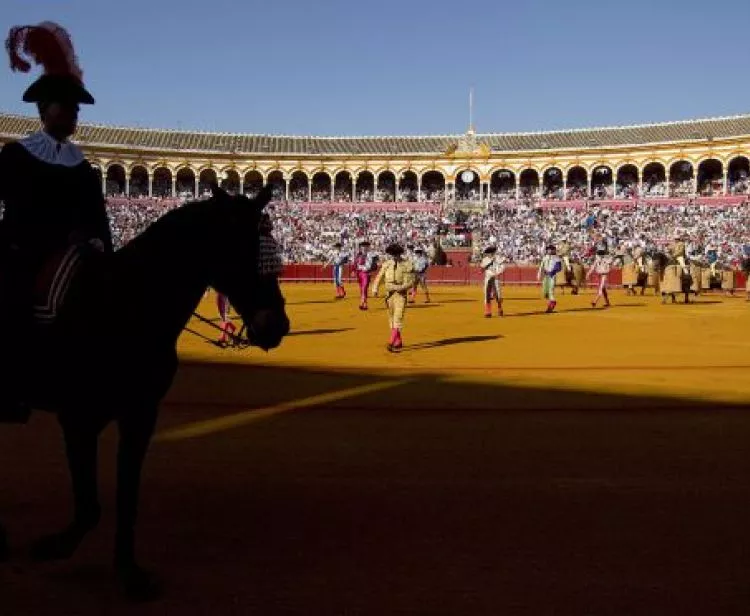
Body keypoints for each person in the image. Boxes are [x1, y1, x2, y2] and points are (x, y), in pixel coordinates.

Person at [0, 22, 112, 422]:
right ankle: (10, 387)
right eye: (68, 106)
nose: (75, 114)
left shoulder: (81, 165)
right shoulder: (16, 156)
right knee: (10, 298)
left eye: (76, 108)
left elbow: (97, 218)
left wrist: (99, 243)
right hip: (23, 251)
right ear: (46, 109)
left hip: (73, 253)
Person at [372, 243, 415, 352]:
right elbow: (379, 277)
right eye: (392, 254)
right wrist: (375, 288)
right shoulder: (387, 264)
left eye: (396, 254)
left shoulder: (407, 264)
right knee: (391, 318)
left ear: (400, 254)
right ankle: (398, 341)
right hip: (389, 294)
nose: (394, 256)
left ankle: (391, 342)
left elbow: (410, 281)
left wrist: (399, 288)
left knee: (398, 318)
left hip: (400, 294)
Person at [480, 245, 505, 317]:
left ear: (493, 252)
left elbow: (503, 267)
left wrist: (497, 273)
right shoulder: (485, 260)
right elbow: (481, 269)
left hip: (495, 278)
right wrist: (486, 266)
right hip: (488, 278)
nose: (489, 254)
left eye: (491, 253)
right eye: (488, 253)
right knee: (487, 295)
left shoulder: (498, 259)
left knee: (498, 295)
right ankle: (488, 311)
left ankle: (500, 308)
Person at [537, 244, 562, 313]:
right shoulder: (545, 257)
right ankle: (551, 302)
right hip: (545, 276)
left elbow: (559, 268)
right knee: (545, 292)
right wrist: (539, 273)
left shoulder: (557, 258)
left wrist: (552, 272)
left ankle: (552, 303)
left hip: (552, 276)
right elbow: (541, 265)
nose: (549, 250)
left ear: (554, 250)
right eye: (548, 249)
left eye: (551, 249)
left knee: (551, 290)